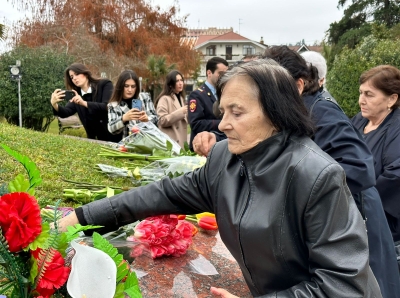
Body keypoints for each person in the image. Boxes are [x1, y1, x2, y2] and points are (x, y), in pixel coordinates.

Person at [57, 59, 381, 297]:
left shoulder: (318, 177)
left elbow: (343, 287)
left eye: (236, 113)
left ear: (276, 113)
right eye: (222, 112)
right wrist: (80, 217)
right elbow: (161, 194)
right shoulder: (225, 158)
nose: (222, 124)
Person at [193, 46, 400, 298]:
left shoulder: (323, 111)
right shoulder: (289, 114)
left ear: (298, 85)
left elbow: (359, 168)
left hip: (355, 221)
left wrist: (296, 189)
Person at [352, 65, 400, 242]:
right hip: (352, 217)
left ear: (391, 99)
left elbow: (395, 176)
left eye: (369, 94)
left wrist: (355, 200)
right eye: (361, 93)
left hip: (382, 225)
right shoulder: (358, 121)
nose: (361, 100)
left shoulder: (396, 128)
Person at [50, 63, 121, 142]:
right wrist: (54, 104)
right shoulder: (77, 94)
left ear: (85, 73)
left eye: (77, 74)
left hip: (113, 137)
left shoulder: (104, 84)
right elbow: (65, 113)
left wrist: (84, 103)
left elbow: (106, 107)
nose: (75, 79)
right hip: (94, 140)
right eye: (72, 77)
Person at [188, 57, 228, 150]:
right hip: (203, 147)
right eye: (220, 73)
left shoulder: (225, 93)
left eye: (226, 73)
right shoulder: (197, 95)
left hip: (221, 146)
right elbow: (196, 124)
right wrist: (222, 123)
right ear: (209, 73)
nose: (224, 76)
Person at [107, 70, 158, 139]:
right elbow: (111, 128)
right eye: (126, 86)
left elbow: (156, 119)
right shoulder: (114, 105)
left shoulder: (144, 97)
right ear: (121, 86)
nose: (130, 90)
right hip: (127, 145)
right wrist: (124, 118)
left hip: (147, 141)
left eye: (133, 86)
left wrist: (147, 119)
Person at [154, 70, 188, 148]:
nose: (180, 83)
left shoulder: (181, 98)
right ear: (170, 84)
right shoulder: (164, 99)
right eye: (177, 81)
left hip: (181, 141)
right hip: (171, 142)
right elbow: (162, 120)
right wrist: (180, 113)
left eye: (181, 80)